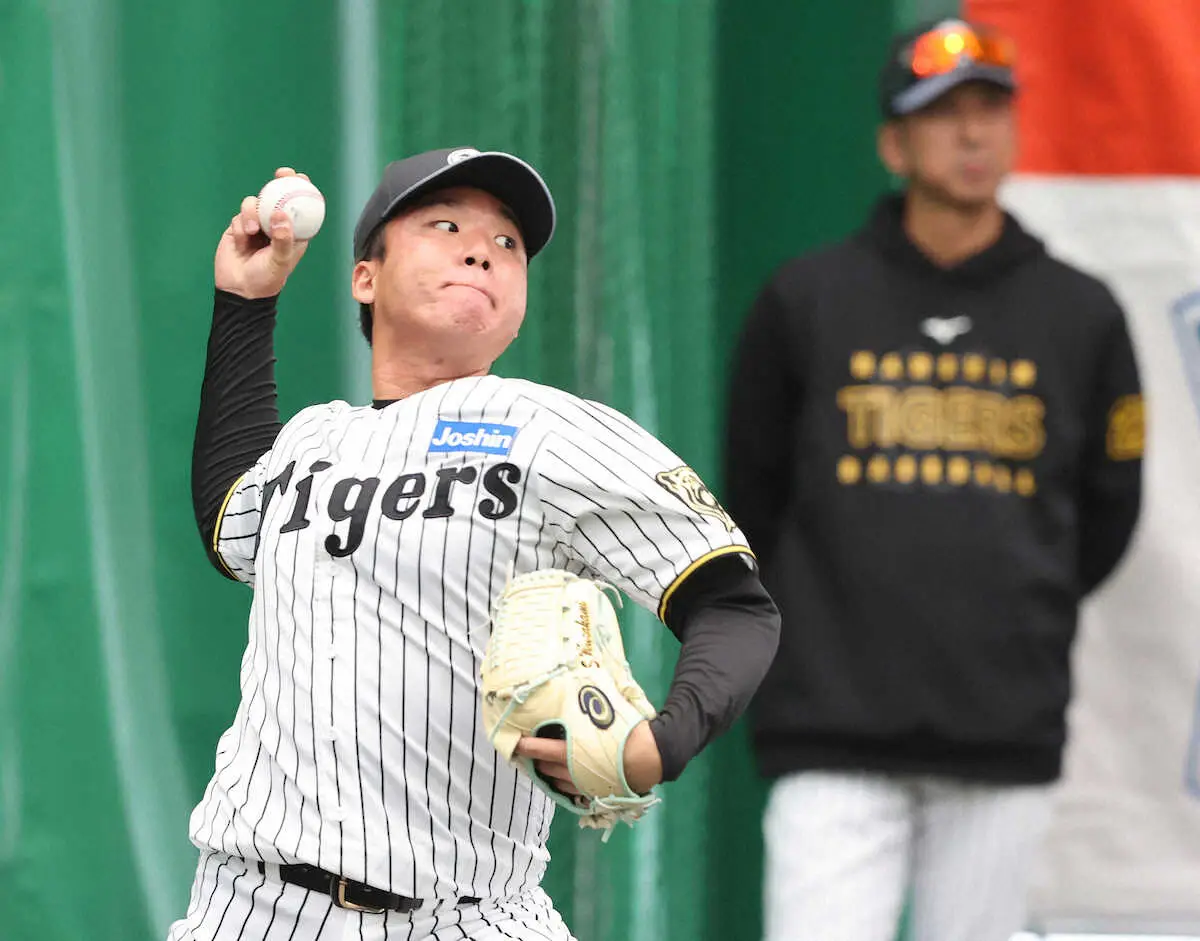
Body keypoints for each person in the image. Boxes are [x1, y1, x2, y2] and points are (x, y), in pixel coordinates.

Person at [171, 146, 780, 941]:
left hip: (465, 916)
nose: (479, 250)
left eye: (507, 246)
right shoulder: (313, 438)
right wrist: (245, 305)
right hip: (249, 906)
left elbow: (734, 602)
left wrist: (665, 740)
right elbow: (230, 524)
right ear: (365, 277)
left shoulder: (551, 430)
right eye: (445, 224)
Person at [724, 19, 1144, 941]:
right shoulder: (806, 300)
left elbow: (1109, 512)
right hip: (832, 730)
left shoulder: (1080, 313)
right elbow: (751, 496)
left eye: (990, 109)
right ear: (892, 143)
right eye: (942, 114)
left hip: (1000, 729)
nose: (971, 134)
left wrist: (1009, 607)